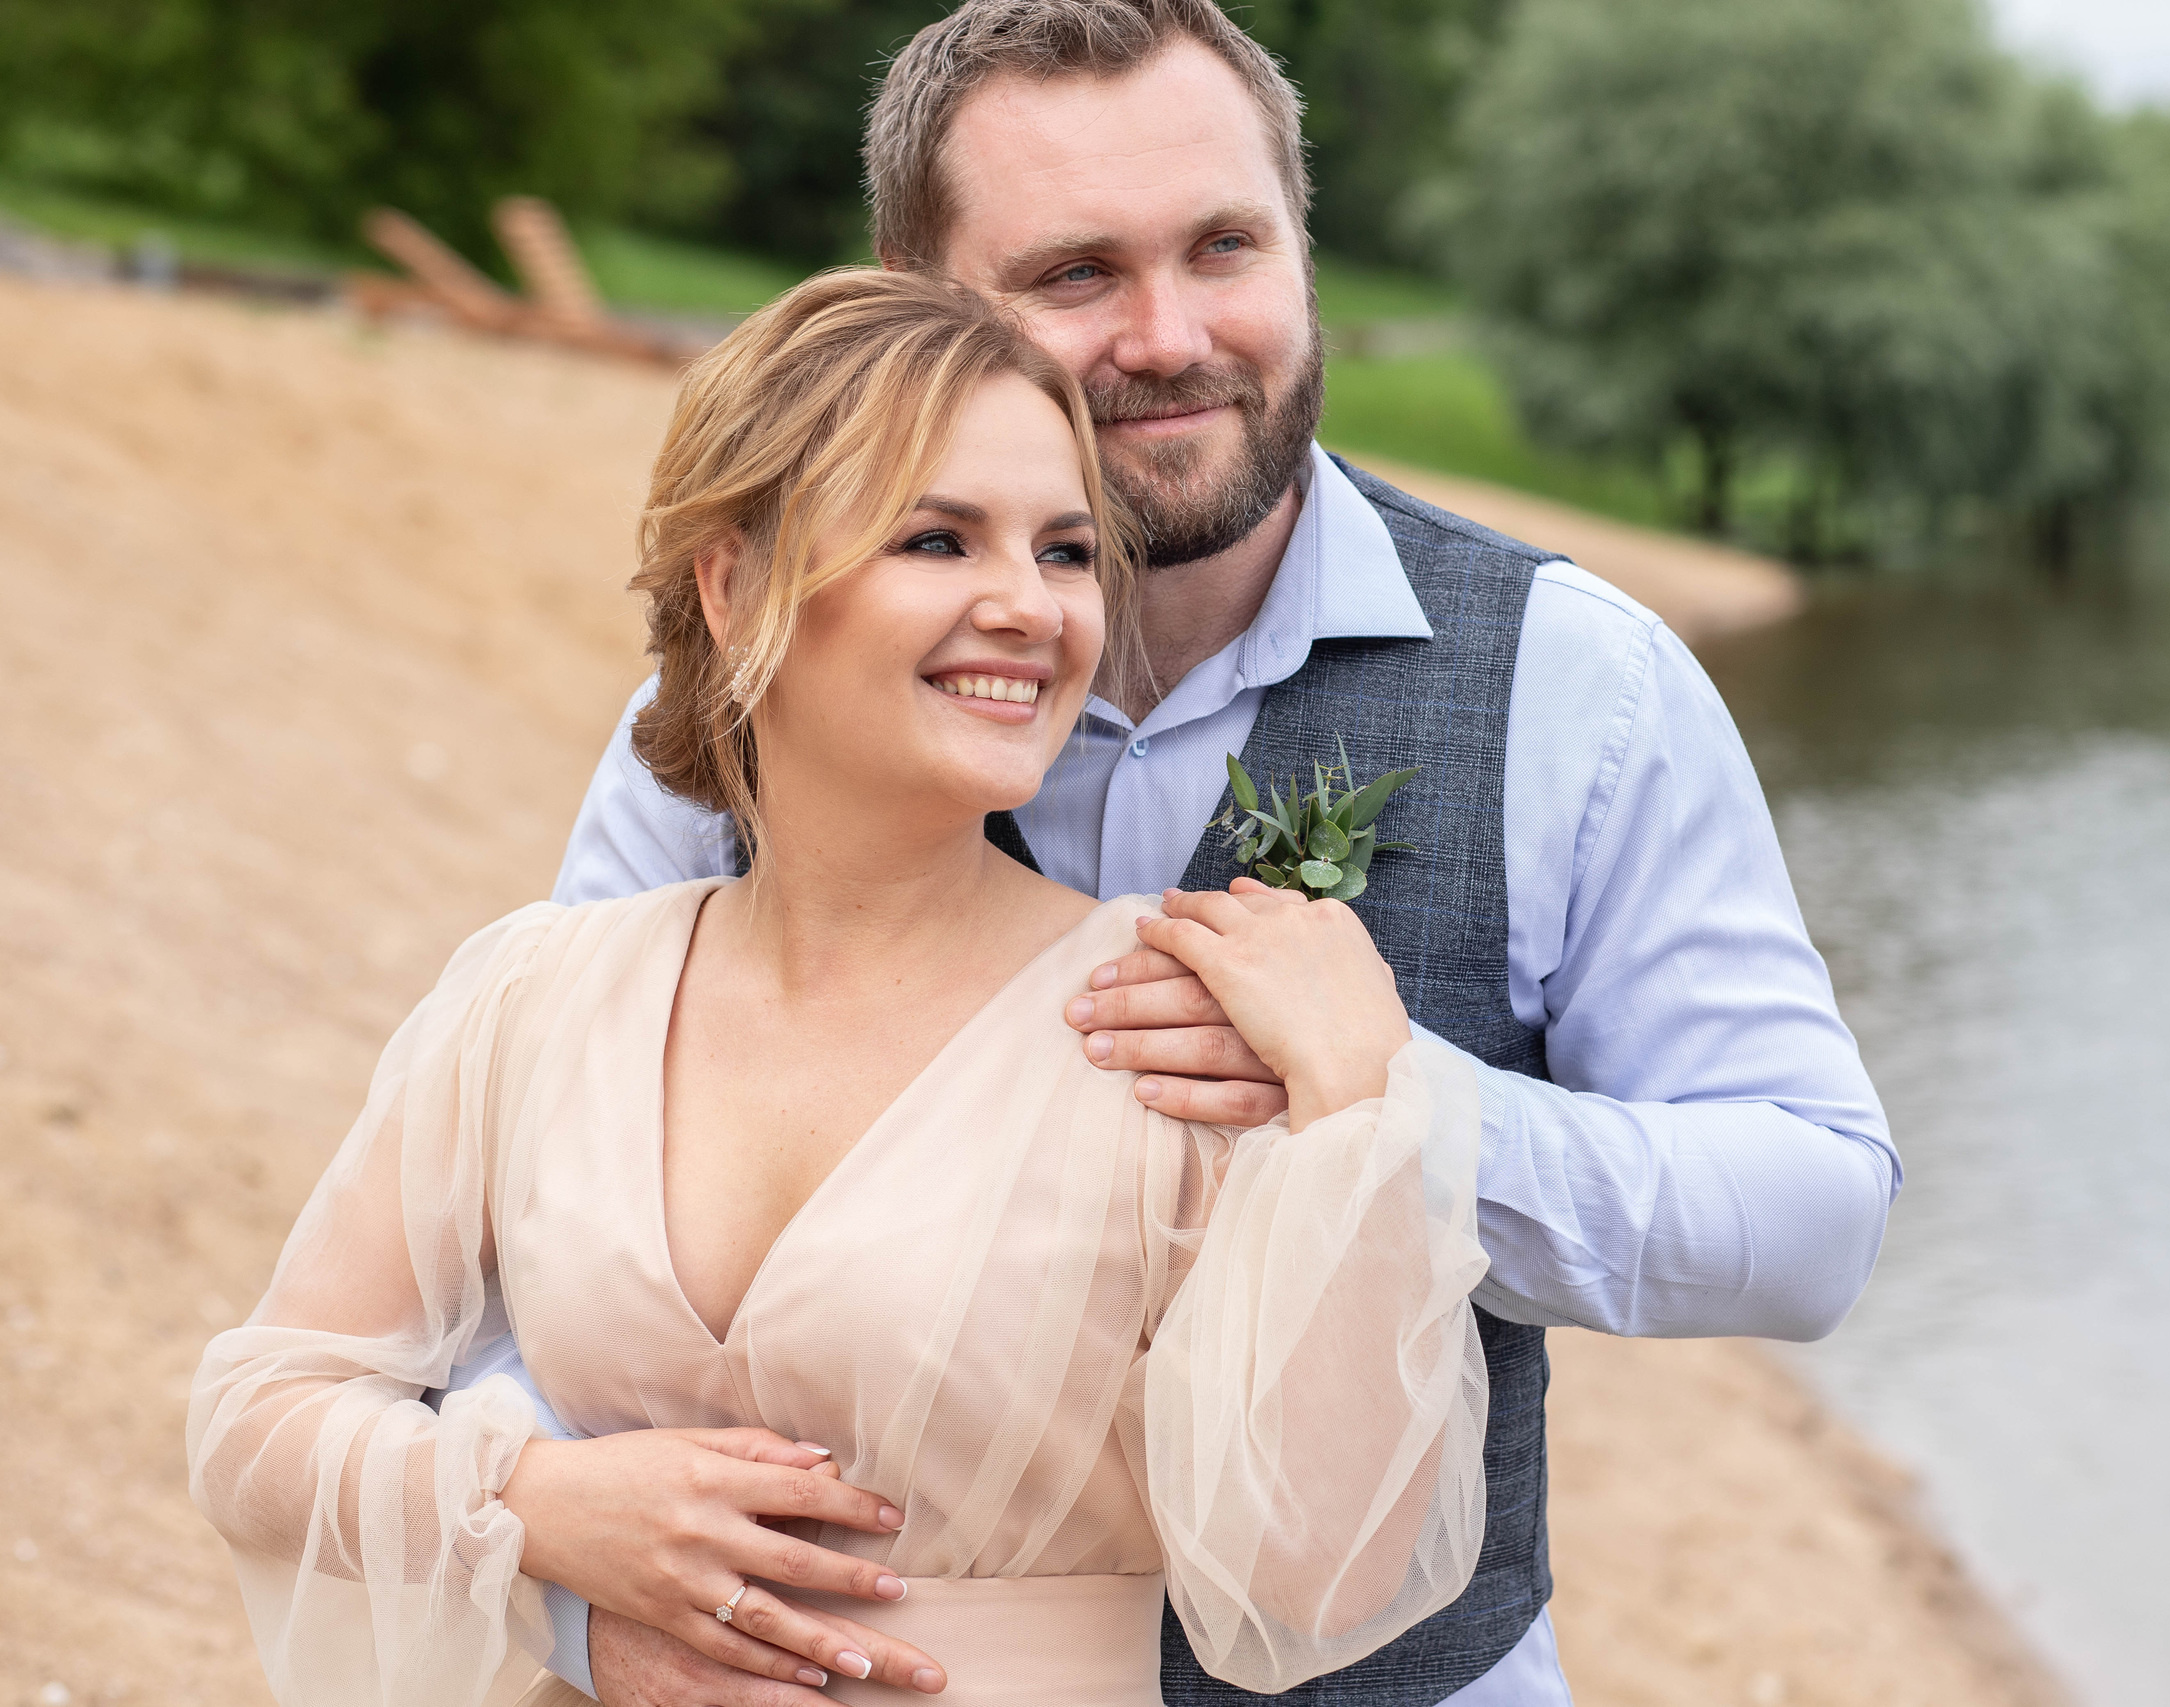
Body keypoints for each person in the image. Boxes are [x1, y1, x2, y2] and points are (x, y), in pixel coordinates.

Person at [493, 2, 1899, 1704]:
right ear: (917, 304)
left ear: (1302, 247)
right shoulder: (752, 694)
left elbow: (1813, 1214)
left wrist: (1394, 1117)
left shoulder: (1579, 685)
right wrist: (559, 1551)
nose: (1171, 337)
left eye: (1224, 246)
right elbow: (533, 1218)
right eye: (1075, 274)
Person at [189, 271, 1497, 1707]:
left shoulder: (1173, 1032)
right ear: (735, 582)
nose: (1029, 607)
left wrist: (1361, 1098)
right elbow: (259, 1416)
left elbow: (1324, 1582)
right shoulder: (541, 994)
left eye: (1067, 554)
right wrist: (541, 1507)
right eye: (939, 538)